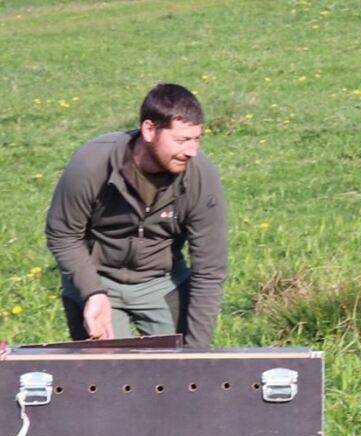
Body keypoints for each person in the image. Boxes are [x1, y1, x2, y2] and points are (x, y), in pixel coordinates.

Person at [45, 83, 227, 348]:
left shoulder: (201, 177)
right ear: (149, 129)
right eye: (181, 140)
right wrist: (92, 292)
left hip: (161, 282)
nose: (192, 151)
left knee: (171, 375)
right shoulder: (92, 162)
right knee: (111, 374)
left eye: (196, 139)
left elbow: (209, 270)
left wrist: (196, 355)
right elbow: (62, 233)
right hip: (96, 277)